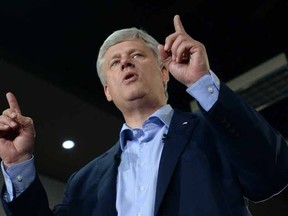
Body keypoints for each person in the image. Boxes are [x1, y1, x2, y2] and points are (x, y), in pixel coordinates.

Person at [0, 14, 287, 216]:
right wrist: (18, 164)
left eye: (137, 55)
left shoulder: (213, 130)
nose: (125, 61)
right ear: (107, 92)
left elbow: (271, 176)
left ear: (164, 71)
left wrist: (202, 82)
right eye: (115, 62)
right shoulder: (85, 181)